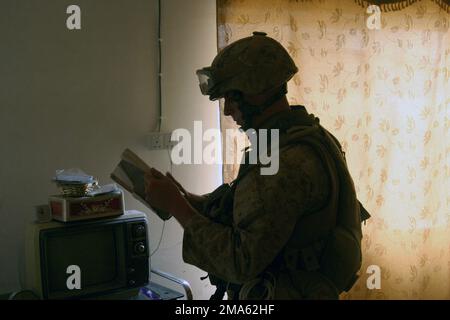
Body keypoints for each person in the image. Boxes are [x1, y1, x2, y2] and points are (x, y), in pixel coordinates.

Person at [144, 32, 369, 300]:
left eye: (231, 98)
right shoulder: (306, 135)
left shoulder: (284, 163)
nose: (227, 111)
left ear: (256, 93)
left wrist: (177, 207)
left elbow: (240, 262)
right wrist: (188, 201)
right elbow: (253, 216)